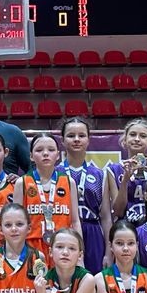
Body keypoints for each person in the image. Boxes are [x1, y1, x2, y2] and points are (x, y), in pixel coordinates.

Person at [103, 117, 147, 236]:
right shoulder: (114, 170)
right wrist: (125, 180)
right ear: (125, 140)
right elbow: (118, 211)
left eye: (143, 136)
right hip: (126, 229)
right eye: (132, 135)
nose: (137, 139)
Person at [59, 115, 106, 269]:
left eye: (81, 135)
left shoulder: (99, 174)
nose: (76, 139)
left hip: (92, 231)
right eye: (71, 135)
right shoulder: (55, 173)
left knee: (93, 277)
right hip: (64, 230)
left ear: (88, 140)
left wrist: (108, 252)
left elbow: (106, 216)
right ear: (62, 140)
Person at [17, 132, 77, 254]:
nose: (45, 153)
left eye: (51, 150)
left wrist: (79, 252)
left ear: (58, 155)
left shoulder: (69, 182)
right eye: (39, 150)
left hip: (62, 247)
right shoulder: (22, 183)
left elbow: (75, 221)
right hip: (30, 246)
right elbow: (17, 222)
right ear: (31, 156)